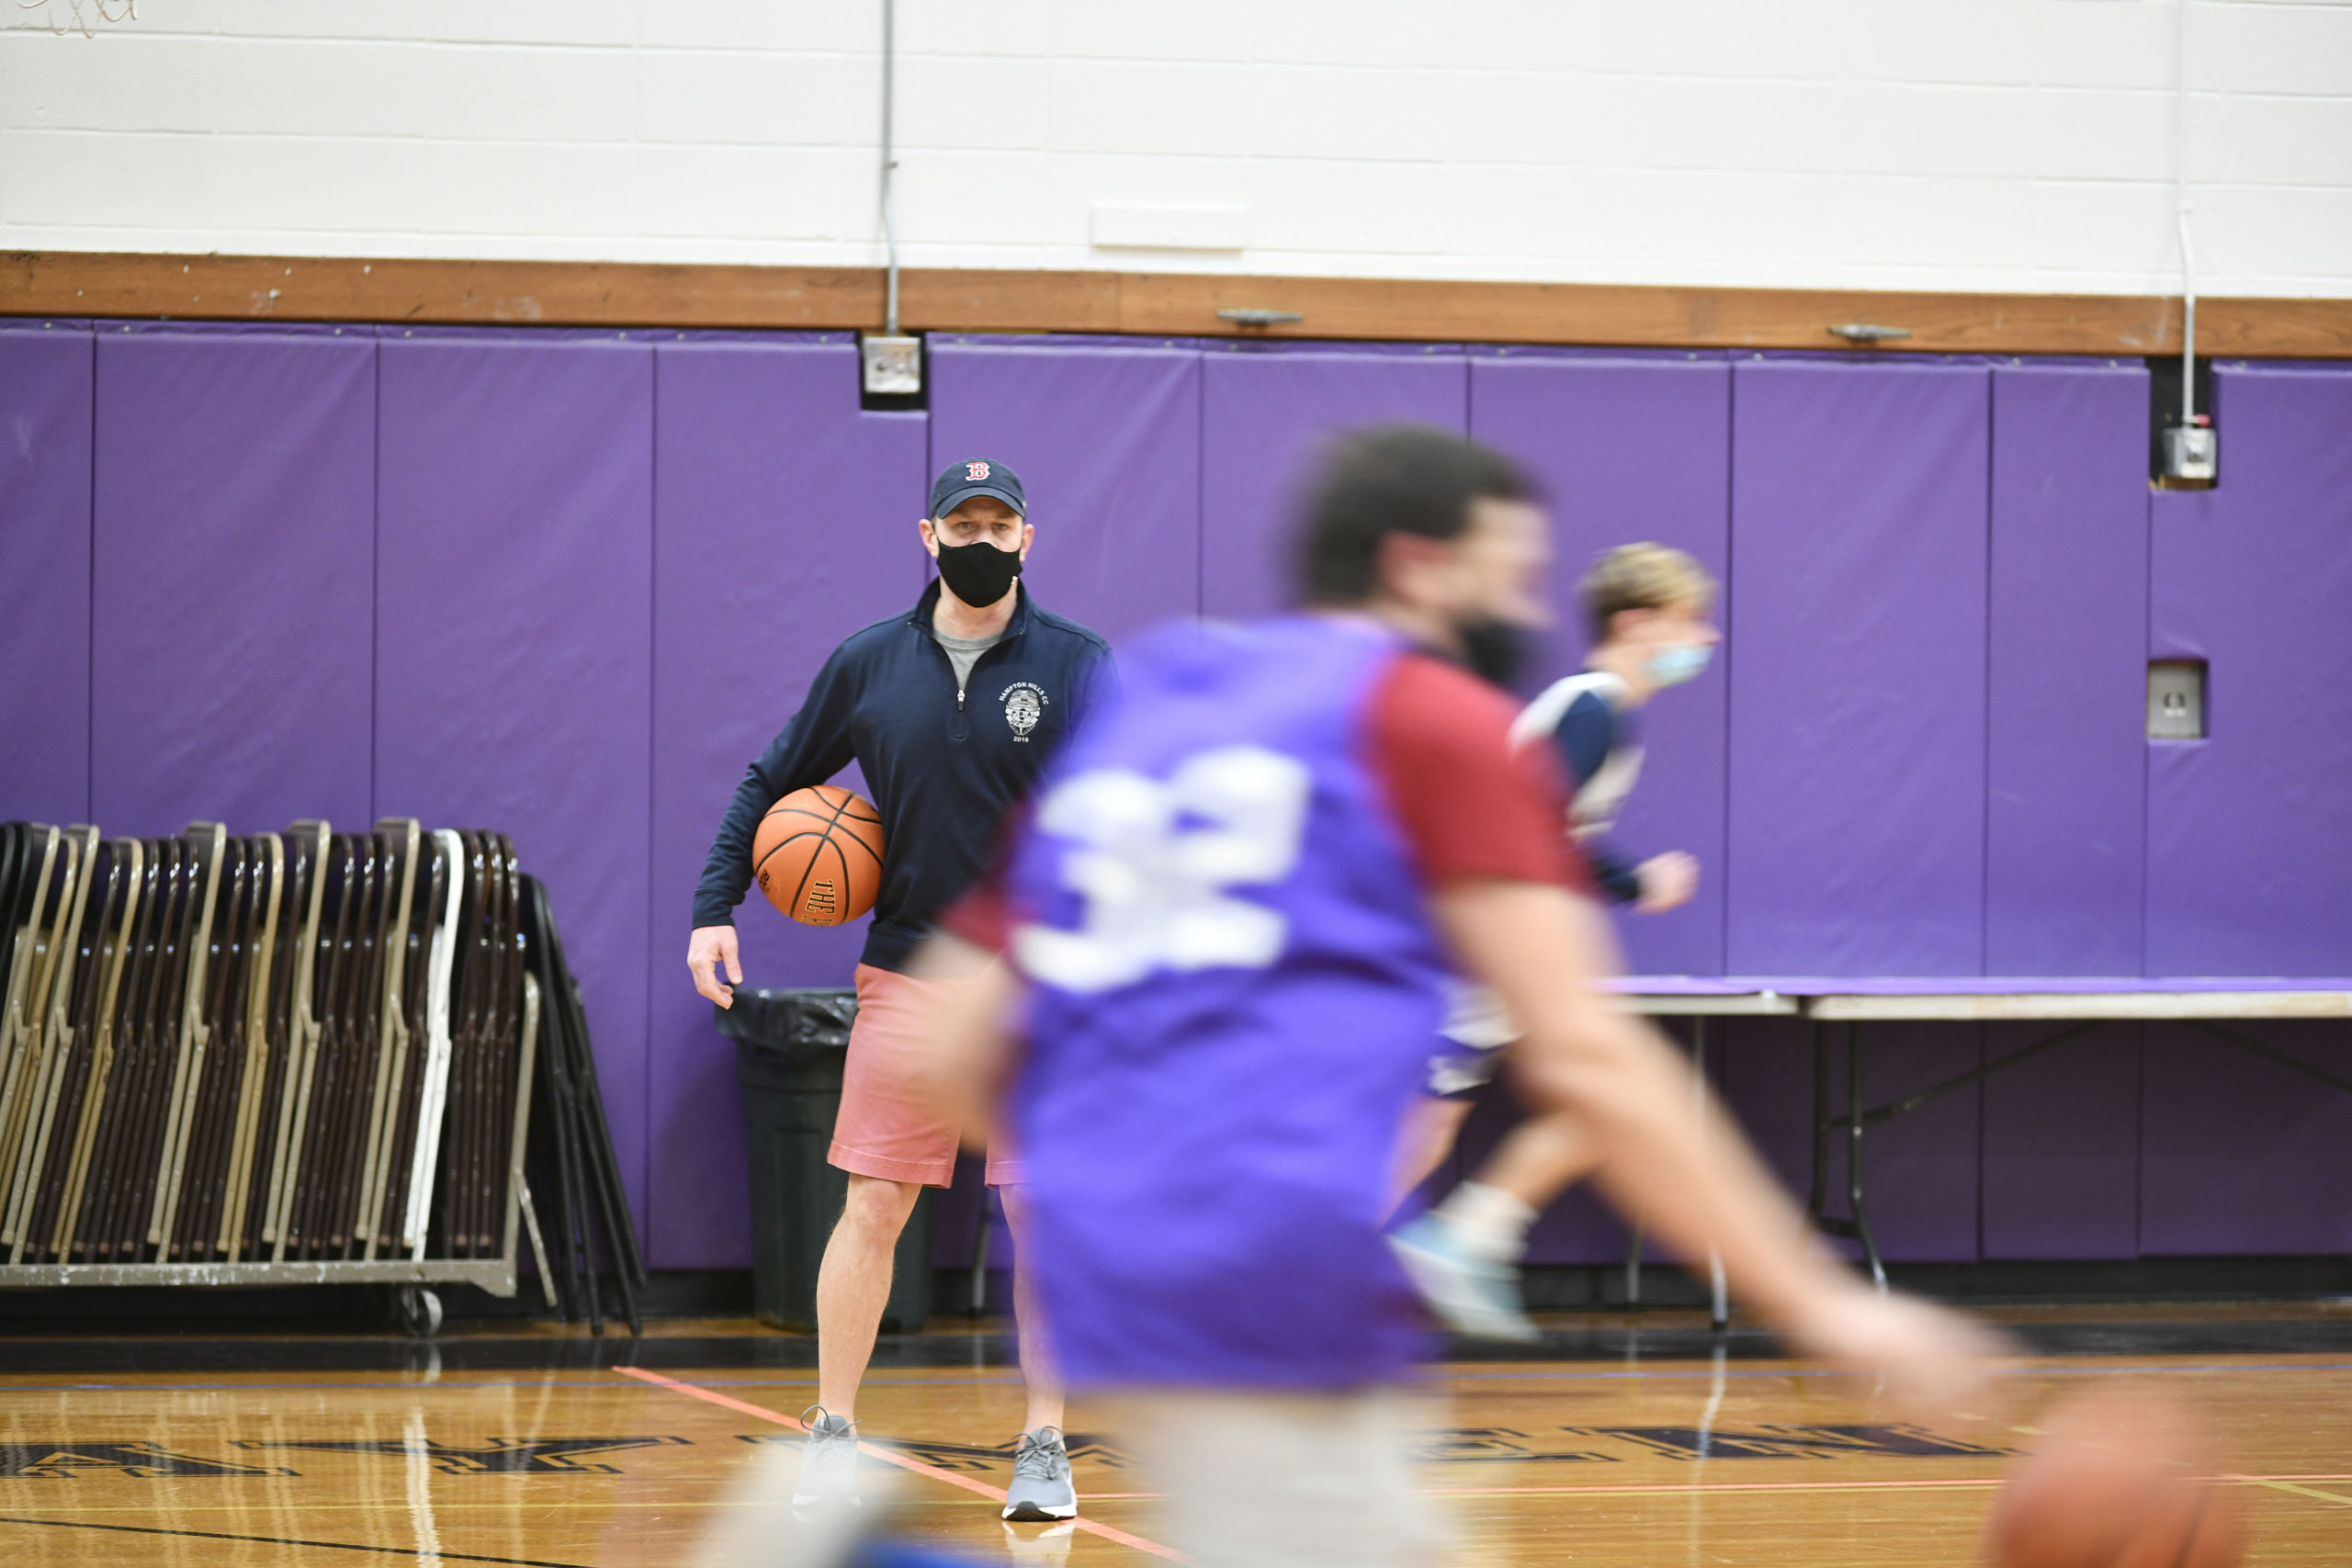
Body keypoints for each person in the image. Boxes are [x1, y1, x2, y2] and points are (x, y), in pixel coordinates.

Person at [913, 425, 1999, 1568]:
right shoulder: (1428, 716)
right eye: (1510, 574)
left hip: (1116, 1267)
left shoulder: (1167, 691)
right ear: (1418, 565)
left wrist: (1136, 1181)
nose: (1527, 608)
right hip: (1271, 1260)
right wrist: (1823, 1305)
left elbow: (951, 1042)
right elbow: (1586, 1055)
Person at [686, 457, 1114, 1522]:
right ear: (927, 536)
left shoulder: (1077, 664)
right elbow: (771, 775)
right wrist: (713, 905)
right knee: (873, 1203)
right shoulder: (870, 663)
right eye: (962, 522)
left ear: (1027, 538)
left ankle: (1045, 1447)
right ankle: (831, 1438)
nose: (981, 538)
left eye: (998, 523)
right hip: (912, 966)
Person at [1388, 542, 1721, 1341]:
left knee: (1432, 1132)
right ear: (1637, 623)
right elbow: (1534, 826)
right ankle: (1456, 1241)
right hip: (1479, 943)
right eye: (1688, 622)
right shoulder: (1594, 705)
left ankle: (1432, 1246)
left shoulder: (1599, 707)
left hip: (1485, 940)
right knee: (1613, 1098)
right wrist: (1638, 882)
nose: (1703, 640)